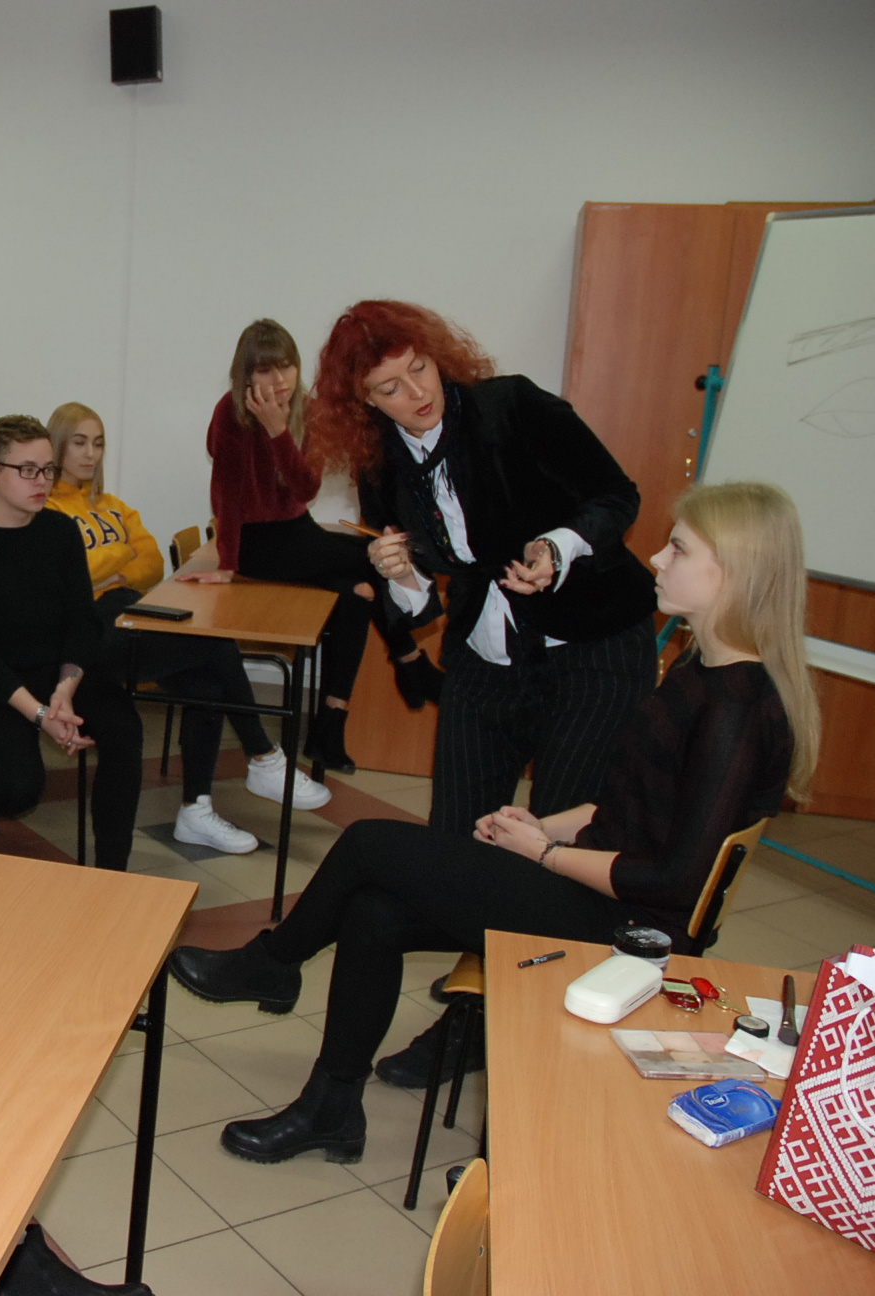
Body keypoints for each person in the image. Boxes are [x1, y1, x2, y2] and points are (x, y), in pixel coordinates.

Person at [165, 482, 815, 1165]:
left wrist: (542, 855)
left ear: (733, 573)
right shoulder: (699, 667)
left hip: (630, 934)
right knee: (373, 911)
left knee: (368, 844)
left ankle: (273, 964)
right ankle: (329, 1109)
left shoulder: (735, 708)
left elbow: (677, 880)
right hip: (595, 890)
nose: (657, 558)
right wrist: (544, 827)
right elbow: (630, 804)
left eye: (679, 549)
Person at [300, 301, 660, 836]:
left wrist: (558, 547)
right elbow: (418, 595)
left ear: (437, 357)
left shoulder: (510, 406)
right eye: (391, 387)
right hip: (485, 649)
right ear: (365, 401)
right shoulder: (378, 463)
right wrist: (399, 573)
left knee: (557, 834)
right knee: (456, 833)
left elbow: (616, 495)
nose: (417, 392)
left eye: (419, 368)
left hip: (593, 643)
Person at [46, 402, 330, 856]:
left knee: (207, 684)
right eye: (79, 443)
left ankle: (196, 809)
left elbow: (152, 563)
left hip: (132, 613)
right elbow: (72, 574)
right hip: (89, 638)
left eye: (98, 443)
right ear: (57, 446)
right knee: (213, 643)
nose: (91, 454)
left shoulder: (112, 506)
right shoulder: (48, 510)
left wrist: (108, 570)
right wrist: (116, 562)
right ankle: (262, 754)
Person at [181, 320, 441, 774]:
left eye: (285, 366)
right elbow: (226, 495)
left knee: (359, 595)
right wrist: (228, 563)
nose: (278, 379)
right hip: (259, 545)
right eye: (264, 370)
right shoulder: (231, 413)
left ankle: (328, 729)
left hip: (298, 532)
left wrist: (281, 430)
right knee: (374, 559)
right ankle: (410, 662)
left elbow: (305, 489)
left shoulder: (311, 411)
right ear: (246, 375)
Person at [0, 416, 145, 870]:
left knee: (124, 730)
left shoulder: (60, 531)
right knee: (21, 786)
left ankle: (113, 871)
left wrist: (65, 691)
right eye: (27, 470)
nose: (42, 481)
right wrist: (42, 715)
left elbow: (83, 621)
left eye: (48, 469)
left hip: (58, 670)